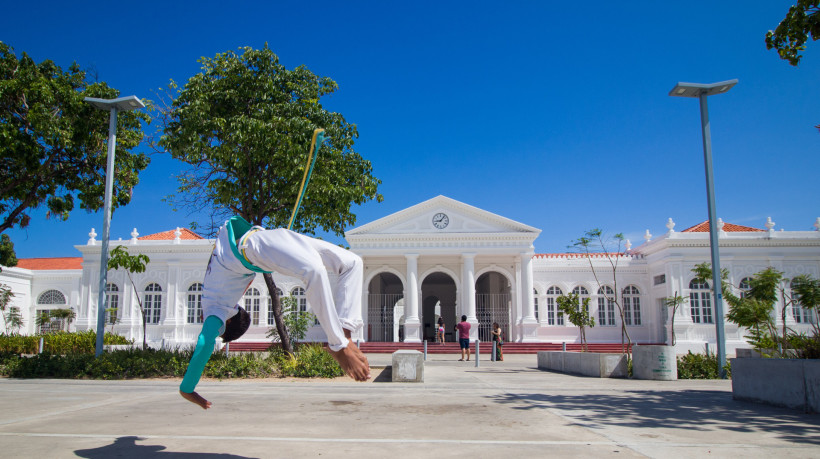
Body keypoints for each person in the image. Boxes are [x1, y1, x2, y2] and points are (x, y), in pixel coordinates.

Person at [179, 216, 371, 410]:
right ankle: (341, 341)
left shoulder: (215, 308)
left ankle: (340, 342)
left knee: (348, 264)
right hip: (261, 243)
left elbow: (205, 341)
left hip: (253, 245)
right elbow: (205, 339)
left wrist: (188, 388)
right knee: (336, 266)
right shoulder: (215, 304)